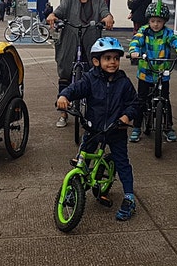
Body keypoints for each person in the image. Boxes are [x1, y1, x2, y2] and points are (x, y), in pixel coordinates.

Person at [56, 37, 140, 221]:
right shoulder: (90, 79)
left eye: (116, 58)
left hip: (116, 130)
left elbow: (135, 103)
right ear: (96, 61)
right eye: (107, 58)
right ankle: (74, 189)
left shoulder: (124, 82)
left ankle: (129, 197)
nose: (112, 62)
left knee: (122, 163)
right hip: (94, 129)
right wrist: (64, 96)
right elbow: (75, 88)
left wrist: (126, 116)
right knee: (83, 159)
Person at [46, 0, 115, 128]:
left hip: (91, 38)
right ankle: (63, 112)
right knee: (65, 72)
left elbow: (105, 12)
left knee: (95, 73)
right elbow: (60, 11)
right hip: (70, 38)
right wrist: (52, 15)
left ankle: (94, 110)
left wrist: (108, 17)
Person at [128, 2, 177, 143]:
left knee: (165, 100)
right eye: (152, 21)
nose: (155, 24)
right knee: (141, 100)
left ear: (164, 22)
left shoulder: (168, 33)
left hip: (163, 72)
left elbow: (176, 42)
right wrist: (134, 51)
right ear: (148, 21)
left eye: (159, 21)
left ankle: (168, 127)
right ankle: (137, 127)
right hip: (146, 71)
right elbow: (135, 41)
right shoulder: (144, 31)